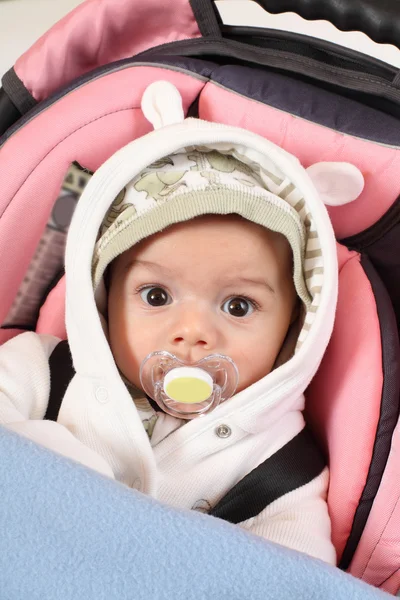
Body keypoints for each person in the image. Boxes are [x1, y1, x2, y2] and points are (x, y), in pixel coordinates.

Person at [0, 81, 364, 565]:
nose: (193, 332)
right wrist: (59, 476)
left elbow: (295, 577)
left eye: (238, 306)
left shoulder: (282, 465)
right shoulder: (42, 369)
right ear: (103, 301)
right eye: (156, 296)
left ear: (296, 328)